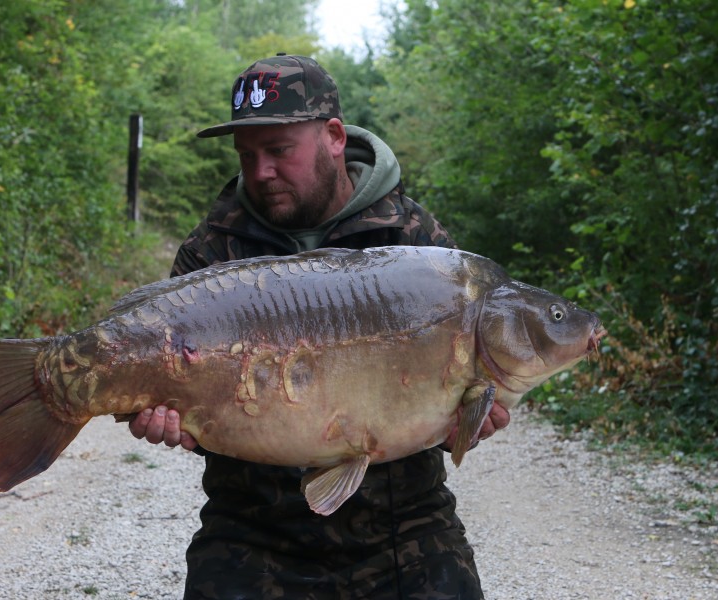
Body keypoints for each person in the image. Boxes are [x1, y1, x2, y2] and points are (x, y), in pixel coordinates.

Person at [129, 54, 510, 599]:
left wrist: (470, 419)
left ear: (333, 136)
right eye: (247, 155)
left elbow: (462, 393)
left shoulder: (414, 239)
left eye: (279, 150)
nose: (260, 172)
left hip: (405, 527)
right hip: (253, 530)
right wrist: (168, 421)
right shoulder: (210, 252)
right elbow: (200, 414)